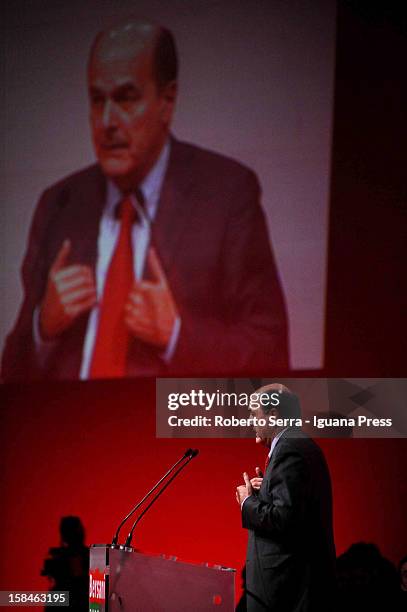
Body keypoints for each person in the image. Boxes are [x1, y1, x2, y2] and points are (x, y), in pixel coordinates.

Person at [1, 19, 288, 381]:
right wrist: (43, 326)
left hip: (168, 430)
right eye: (96, 100)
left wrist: (176, 337)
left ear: (167, 102)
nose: (106, 121)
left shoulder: (227, 195)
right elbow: (10, 376)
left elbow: (271, 351)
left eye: (125, 98)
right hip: (70, 428)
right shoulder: (60, 204)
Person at [236, 383, 336, 611]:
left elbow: (284, 519)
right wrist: (264, 495)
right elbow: (294, 510)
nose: (250, 422)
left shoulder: (290, 449)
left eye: (254, 414)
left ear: (273, 415)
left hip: (290, 594)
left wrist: (247, 502)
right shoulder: (294, 445)